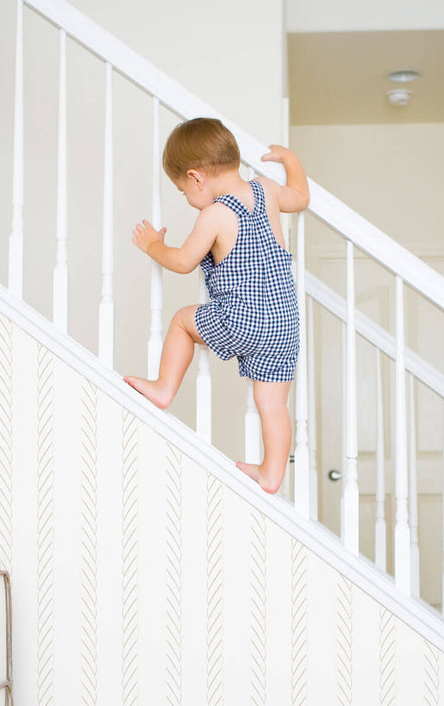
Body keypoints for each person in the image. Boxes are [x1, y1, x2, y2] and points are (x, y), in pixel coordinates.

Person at [124, 117, 310, 494]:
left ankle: (164, 387)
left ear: (195, 177)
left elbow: (181, 261)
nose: (187, 198)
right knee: (272, 403)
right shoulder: (268, 190)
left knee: (180, 321)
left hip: (243, 318)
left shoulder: (215, 215)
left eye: (182, 191)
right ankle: (272, 474)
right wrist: (290, 159)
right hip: (284, 322)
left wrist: (152, 245)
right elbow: (301, 197)